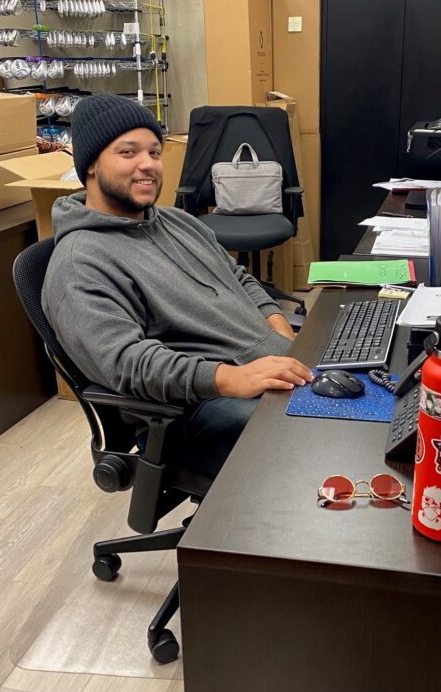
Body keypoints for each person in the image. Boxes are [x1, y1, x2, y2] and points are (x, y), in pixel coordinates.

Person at [42, 93, 313, 479]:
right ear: (90, 166)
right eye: (128, 153)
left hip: (262, 367)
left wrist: (274, 319)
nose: (147, 165)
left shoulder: (174, 221)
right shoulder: (80, 263)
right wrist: (228, 378)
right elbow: (126, 364)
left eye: (154, 152)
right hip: (196, 409)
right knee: (325, 444)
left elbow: (235, 275)